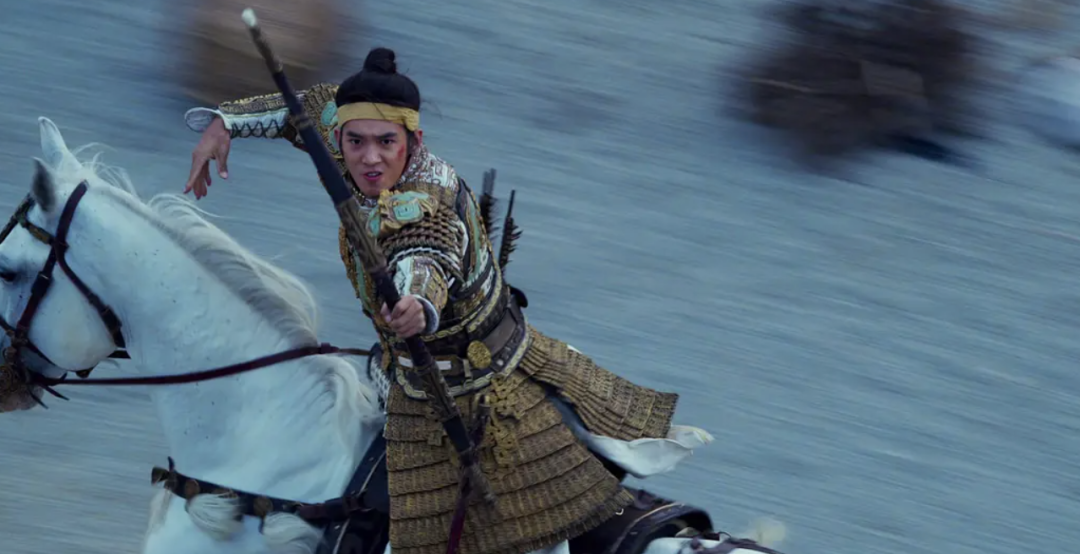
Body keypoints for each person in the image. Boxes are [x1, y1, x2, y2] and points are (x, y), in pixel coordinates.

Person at [182, 46, 711, 554]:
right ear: (339, 135)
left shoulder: (422, 203)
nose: (369, 157)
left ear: (413, 140)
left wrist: (418, 305)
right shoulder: (347, 139)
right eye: (355, 141)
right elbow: (301, 109)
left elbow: (428, 256)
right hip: (409, 367)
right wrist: (224, 124)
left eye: (386, 142)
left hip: (470, 391)